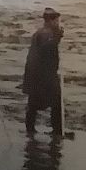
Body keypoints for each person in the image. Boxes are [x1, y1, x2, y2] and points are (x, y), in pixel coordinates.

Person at [21, 7, 64, 138]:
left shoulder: (40, 33)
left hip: (35, 72)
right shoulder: (47, 34)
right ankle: (57, 131)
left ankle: (30, 129)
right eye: (56, 20)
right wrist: (58, 37)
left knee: (33, 103)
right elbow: (47, 48)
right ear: (51, 21)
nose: (58, 23)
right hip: (43, 74)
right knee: (56, 101)